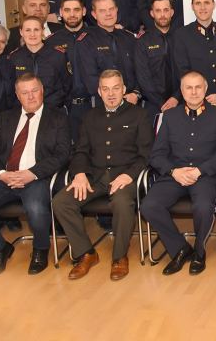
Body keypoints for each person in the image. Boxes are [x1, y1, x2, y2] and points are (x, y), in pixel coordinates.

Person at [0, 74, 71, 277]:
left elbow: (62, 154)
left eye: (34, 91)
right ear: (17, 95)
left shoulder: (58, 117)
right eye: (25, 93)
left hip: (36, 177)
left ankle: (40, 249)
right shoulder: (6, 118)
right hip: (6, 178)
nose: (30, 97)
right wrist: (2, 174)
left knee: (36, 208)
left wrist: (32, 173)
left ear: (42, 91)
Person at [52, 70, 153, 281]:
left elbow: (146, 155)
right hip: (94, 177)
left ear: (124, 89)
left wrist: (129, 176)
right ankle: (86, 253)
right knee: (61, 201)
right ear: (99, 91)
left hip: (126, 177)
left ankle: (119, 257)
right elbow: (80, 151)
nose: (111, 94)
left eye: (116, 88)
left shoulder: (139, 115)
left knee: (122, 203)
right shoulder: (90, 117)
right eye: (105, 89)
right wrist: (79, 173)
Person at [141, 71, 216, 275]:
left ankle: (199, 251)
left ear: (206, 90)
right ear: (181, 91)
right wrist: (173, 171)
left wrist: (200, 170)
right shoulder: (170, 116)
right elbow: (157, 154)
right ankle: (180, 248)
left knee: (203, 206)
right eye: (188, 88)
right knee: (149, 205)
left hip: (204, 175)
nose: (194, 92)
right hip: (175, 174)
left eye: (198, 87)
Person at [171, 0, 216, 106]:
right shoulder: (182, 35)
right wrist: (199, 95)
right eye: (198, 3)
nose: (202, 8)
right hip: (196, 103)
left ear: (213, 5)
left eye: (206, 3)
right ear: (192, 6)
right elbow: (182, 71)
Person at [75, 0, 140, 109]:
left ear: (116, 10)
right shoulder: (86, 41)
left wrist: (136, 93)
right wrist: (117, 98)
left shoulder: (129, 38)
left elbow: (140, 71)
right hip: (103, 105)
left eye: (111, 9)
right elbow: (91, 80)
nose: (108, 14)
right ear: (94, 14)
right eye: (102, 11)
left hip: (132, 102)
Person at [45, 0, 90, 138]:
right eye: (67, 10)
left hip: (94, 104)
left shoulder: (95, 36)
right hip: (64, 107)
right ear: (61, 12)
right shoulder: (51, 42)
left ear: (84, 11)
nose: (72, 14)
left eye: (76, 10)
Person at [6, 15, 71, 110]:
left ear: (43, 31)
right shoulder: (14, 57)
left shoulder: (58, 55)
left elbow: (67, 85)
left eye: (36, 30)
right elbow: (11, 89)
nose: (32, 34)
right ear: (21, 32)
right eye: (28, 30)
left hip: (52, 110)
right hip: (24, 111)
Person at [135, 0, 177, 119]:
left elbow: (186, 71)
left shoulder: (181, 38)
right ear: (152, 13)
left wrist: (176, 98)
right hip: (153, 105)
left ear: (172, 12)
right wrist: (162, 103)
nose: (162, 15)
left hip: (180, 102)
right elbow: (143, 78)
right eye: (158, 11)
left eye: (166, 10)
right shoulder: (142, 41)